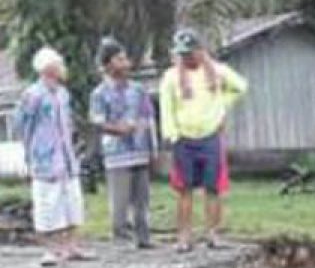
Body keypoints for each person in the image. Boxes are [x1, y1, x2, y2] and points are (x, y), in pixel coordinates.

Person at [159, 28, 248, 251]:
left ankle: (213, 233)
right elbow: (166, 107)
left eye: (190, 53)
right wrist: (172, 135)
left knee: (213, 188)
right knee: (184, 189)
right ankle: (184, 236)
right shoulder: (171, 77)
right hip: (184, 138)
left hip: (210, 137)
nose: (187, 58)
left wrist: (221, 108)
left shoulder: (218, 72)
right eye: (182, 54)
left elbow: (241, 87)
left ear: (200, 50)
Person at [16, 47, 93, 266]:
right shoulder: (33, 95)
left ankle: (71, 246)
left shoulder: (62, 93)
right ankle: (50, 249)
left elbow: (67, 123)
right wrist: (30, 153)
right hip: (45, 157)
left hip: (67, 156)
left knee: (72, 201)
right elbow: (24, 126)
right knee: (48, 204)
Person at [89, 37, 157, 248]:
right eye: (119, 59)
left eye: (125, 58)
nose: (125, 63)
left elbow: (148, 118)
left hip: (140, 150)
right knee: (120, 199)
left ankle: (143, 237)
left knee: (142, 199)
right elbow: (97, 121)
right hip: (116, 153)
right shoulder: (100, 93)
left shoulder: (138, 89)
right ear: (108, 64)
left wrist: (153, 147)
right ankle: (120, 238)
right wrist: (119, 129)